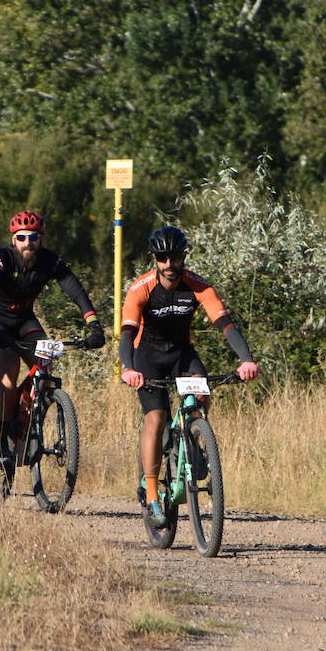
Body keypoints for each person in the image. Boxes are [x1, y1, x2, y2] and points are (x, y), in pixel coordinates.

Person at [119, 225, 260, 527]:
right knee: (156, 418)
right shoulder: (141, 288)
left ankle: (195, 440)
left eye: (175, 257)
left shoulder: (198, 286)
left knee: (201, 394)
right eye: (163, 258)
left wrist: (246, 360)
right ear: (155, 259)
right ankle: (152, 492)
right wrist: (128, 368)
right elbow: (127, 332)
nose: (169, 264)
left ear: (184, 256)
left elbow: (224, 323)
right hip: (147, 356)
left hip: (182, 353)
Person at [0, 211, 106, 453]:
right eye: (22, 237)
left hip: (24, 320)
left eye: (34, 237)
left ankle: (24, 420)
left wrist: (94, 325)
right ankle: (2, 439)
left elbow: (76, 291)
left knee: (45, 364)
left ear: (41, 239)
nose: (28, 243)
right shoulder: (2, 258)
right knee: (10, 368)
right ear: (14, 239)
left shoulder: (49, 260)